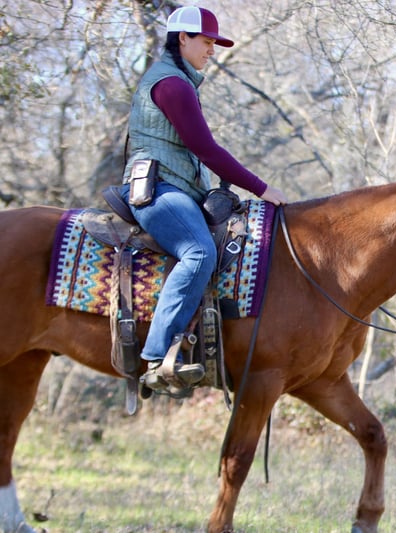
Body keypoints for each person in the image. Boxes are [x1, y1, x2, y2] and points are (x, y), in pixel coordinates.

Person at [121, 5, 287, 391]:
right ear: (183, 38)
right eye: (207, 41)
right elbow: (206, 149)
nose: (212, 50)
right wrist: (262, 189)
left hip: (177, 187)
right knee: (199, 252)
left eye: (215, 43)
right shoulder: (172, 85)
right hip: (157, 190)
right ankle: (157, 357)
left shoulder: (180, 82)